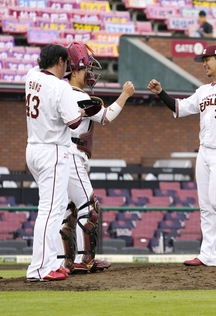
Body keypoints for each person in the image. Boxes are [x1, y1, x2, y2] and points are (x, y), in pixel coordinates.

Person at [147, 45, 216, 266]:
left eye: (207, 59)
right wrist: (161, 93)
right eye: (203, 60)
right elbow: (179, 108)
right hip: (205, 150)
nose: (204, 63)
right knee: (206, 205)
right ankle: (208, 254)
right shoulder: (203, 91)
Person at [55, 42, 135, 274]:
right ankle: (83, 259)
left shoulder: (60, 92)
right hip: (72, 157)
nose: (90, 73)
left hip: (61, 156)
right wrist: (125, 95)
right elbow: (107, 116)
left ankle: (65, 261)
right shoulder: (76, 95)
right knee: (90, 208)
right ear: (76, 70)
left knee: (69, 211)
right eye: (87, 69)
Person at [25, 44, 84, 282]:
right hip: (53, 151)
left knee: (55, 209)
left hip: (33, 147)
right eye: (66, 62)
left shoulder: (31, 76)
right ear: (60, 61)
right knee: (49, 211)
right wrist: (83, 111)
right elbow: (74, 123)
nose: (68, 68)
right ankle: (39, 268)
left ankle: (50, 262)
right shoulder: (61, 86)